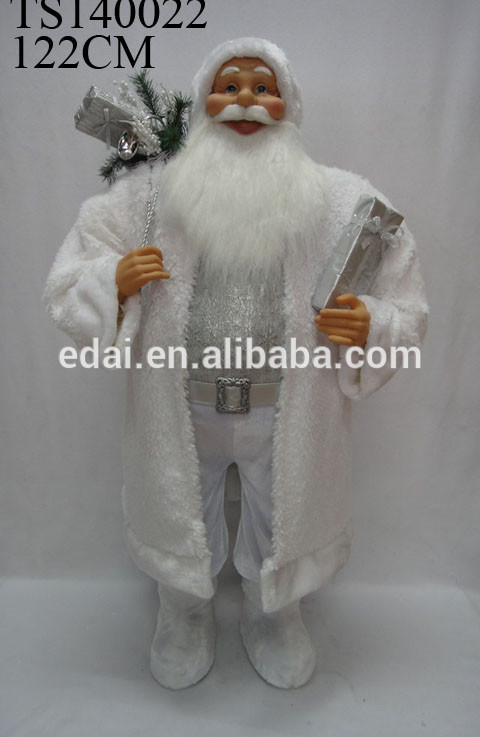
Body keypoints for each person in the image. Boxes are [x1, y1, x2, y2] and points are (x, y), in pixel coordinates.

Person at [44, 37, 428, 690]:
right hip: (181, 407)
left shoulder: (339, 200)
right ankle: (182, 610)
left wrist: (372, 323)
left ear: (289, 105)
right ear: (203, 102)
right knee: (180, 507)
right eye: (229, 86)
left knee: (279, 516)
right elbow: (69, 275)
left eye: (263, 87)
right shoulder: (151, 195)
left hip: (286, 410)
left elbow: (405, 298)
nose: (245, 100)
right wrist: (113, 281)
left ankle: (273, 612)